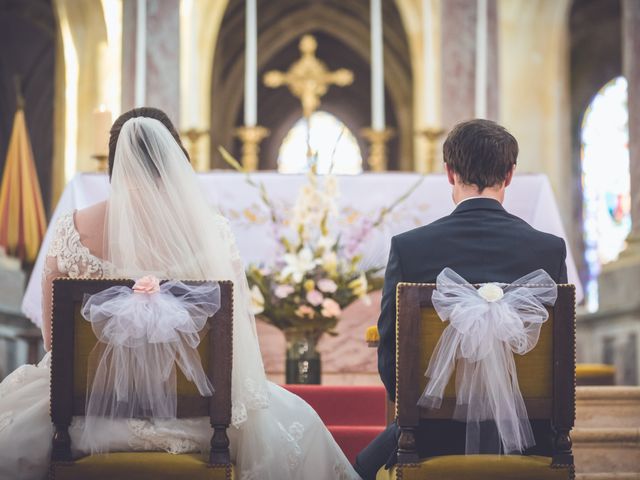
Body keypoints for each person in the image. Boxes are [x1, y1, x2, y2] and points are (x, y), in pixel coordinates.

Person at [0, 107, 359, 480]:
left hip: (84, 414)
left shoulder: (70, 231)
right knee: (305, 431)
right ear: (174, 161)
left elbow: (54, 341)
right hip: (202, 420)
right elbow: (233, 341)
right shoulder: (212, 232)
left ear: (115, 161)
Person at [354, 119, 568, 480]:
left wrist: (417, 410)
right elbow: (561, 356)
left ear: (449, 172)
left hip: (430, 438)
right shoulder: (549, 250)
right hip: (532, 438)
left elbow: (391, 354)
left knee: (357, 469)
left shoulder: (410, 248)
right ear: (510, 175)